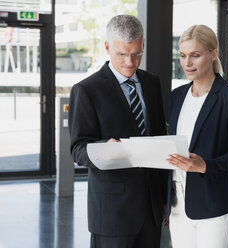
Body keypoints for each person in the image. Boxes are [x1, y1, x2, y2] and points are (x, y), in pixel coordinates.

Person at [68, 15, 167, 248]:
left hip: (151, 210)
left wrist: (164, 197)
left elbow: (159, 138)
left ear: (142, 45)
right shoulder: (86, 90)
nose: (130, 62)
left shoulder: (153, 84)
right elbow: (77, 148)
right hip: (113, 212)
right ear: (107, 47)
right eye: (122, 54)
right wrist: (104, 148)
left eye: (136, 54)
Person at [166, 24, 228, 248]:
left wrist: (205, 166)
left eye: (195, 55)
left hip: (214, 202)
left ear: (213, 54)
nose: (187, 63)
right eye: (183, 56)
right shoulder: (177, 96)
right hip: (177, 202)